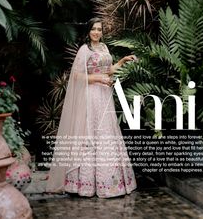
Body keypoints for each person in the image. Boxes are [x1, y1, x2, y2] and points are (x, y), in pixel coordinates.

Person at [46, 17, 137, 198]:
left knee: (106, 133)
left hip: (104, 96)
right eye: (94, 29)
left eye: (99, 29)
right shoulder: (84, 50)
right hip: (91, 96)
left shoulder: (103, 47)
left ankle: (110, 183)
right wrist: (98, 79)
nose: (96, 32)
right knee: (91, 133)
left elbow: (108, 69)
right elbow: (77, 77)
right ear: (88, 31)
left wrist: (122, 62)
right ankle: (85, 184)